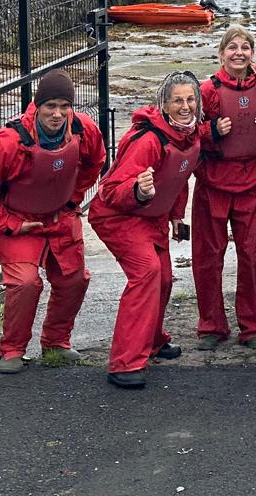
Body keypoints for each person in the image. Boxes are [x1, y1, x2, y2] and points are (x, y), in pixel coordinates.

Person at [0, 69, 106, 374]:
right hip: (19, 220)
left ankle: (56, 342)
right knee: (26, 283)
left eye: (64, 106)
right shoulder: (9, 142)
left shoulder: (83, 129)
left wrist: (73, 199)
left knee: (74, 279)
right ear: (37, 105)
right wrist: (11, 224)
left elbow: (96, 161)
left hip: (60, 215)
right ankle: (12, 349)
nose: (58, 114)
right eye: (50, 106)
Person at [88, 71, 201, 389]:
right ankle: (124, 363)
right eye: (177, 100)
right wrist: (138, 191)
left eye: (190, 99)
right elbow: (110, 190)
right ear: (163, 104)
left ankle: (152, 340)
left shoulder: (190, 135)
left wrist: (176, 216)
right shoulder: (148, 140)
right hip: (118, 216)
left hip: (153, 217)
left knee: (164, 278)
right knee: (147, 273)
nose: (185, 106)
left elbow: (178, 178)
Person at [192, 27, 256, 351]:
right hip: (213, 181)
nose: (239, 53)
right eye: (233, 47)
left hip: (254, 180)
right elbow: (186, 128)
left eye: (245, 47)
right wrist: (211, 130)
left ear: (252, 53)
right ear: (221, 53)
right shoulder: (207, 90)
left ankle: (252, 324)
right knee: (208, 256)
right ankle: (211, 325)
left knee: (253, 255)